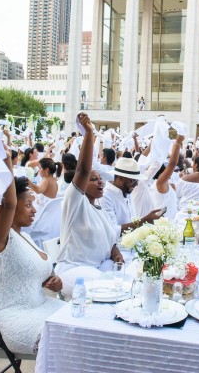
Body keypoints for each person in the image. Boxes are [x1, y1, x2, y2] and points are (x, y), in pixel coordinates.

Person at [0, 152, 65, 355]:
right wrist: (6, 160)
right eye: (28, 205)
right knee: (67, 342)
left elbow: (38, 276)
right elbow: (7, 203)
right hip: (11, 318)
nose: (34, 210)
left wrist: (56, 282)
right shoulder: (0, 237)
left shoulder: (25, 237)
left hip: (42, 306)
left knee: (87, 324)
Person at [56, 113, 131, 297]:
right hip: (74, 271)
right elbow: (82, 170)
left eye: (100, 179)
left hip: (98, 267)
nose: (100, 183)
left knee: (129, 276)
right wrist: (89, 133)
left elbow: (111, 237)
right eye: (93, 179)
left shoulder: (98, 207)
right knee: (112, 288)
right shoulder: (74, 201)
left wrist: (116, 254)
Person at [100, 157, 162, 227]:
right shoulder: (105, 197)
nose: (136, 184)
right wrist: (144, 220)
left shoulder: (126, 191)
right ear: (120, 178)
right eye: (133, 180)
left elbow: (132, 221)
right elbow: (113, 231)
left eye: (137, 180)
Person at [150, 134, 183, 220]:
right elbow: (172, 164)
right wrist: (178, 142)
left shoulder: (164, 184)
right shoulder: (160, 183)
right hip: (165, 225)